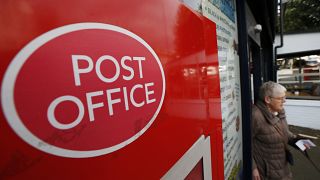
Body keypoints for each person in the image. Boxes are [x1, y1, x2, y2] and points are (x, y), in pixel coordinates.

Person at [252, 81, 301, 180]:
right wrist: (253, 168)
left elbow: (284, 132)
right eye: (281, 98)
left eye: (284, 98)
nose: (284, 101)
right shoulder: (256, 116)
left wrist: (298, 141)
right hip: (268, 172)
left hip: (283, 167)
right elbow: (245, 144)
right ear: (267, 99)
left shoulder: (279, 111)